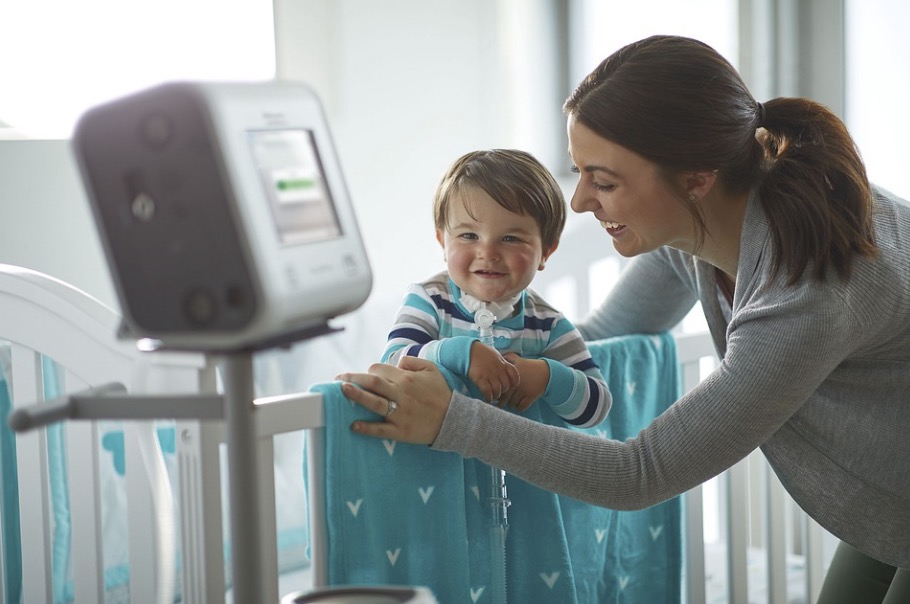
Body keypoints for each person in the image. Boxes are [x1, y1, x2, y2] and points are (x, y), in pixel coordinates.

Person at [336, 35, 910, 602]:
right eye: (579, 171)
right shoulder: (696, 230)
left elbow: (640, 473)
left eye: (604, 181)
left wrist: (451, 421)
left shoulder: (808, 293)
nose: (580, 201)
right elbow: (598, 341)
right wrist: (478, 353)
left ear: (695, 177)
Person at [381, 148, 610, 427]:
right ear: (443, 242)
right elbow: (392, 364)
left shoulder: (547, 324)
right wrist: (460, 353)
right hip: (444, 466)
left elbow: (598, 407)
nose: (487, 252)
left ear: (546, 251)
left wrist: (547, 377)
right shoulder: (428, 301)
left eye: (511, 238)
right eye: (468, 235)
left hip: (520, 467)